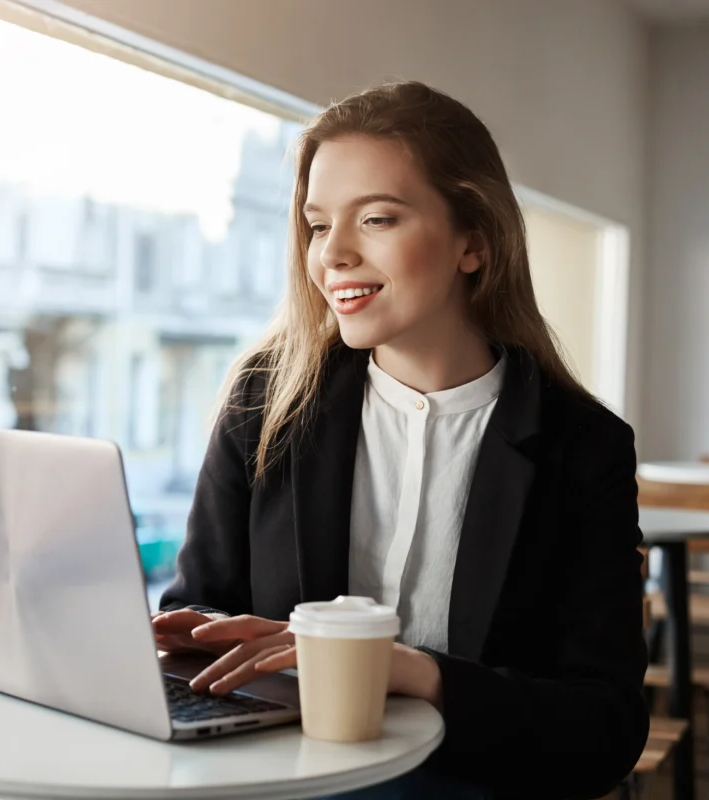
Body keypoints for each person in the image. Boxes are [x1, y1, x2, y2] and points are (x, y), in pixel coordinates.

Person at [153, 80, 649, 799]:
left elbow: (605, 730)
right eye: (319, 225)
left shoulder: (584, 445)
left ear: (472, 243)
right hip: (278, 780)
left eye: (377, 219)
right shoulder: (263, 402)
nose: (334, 256)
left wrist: (413, 671)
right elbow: (199, 620)